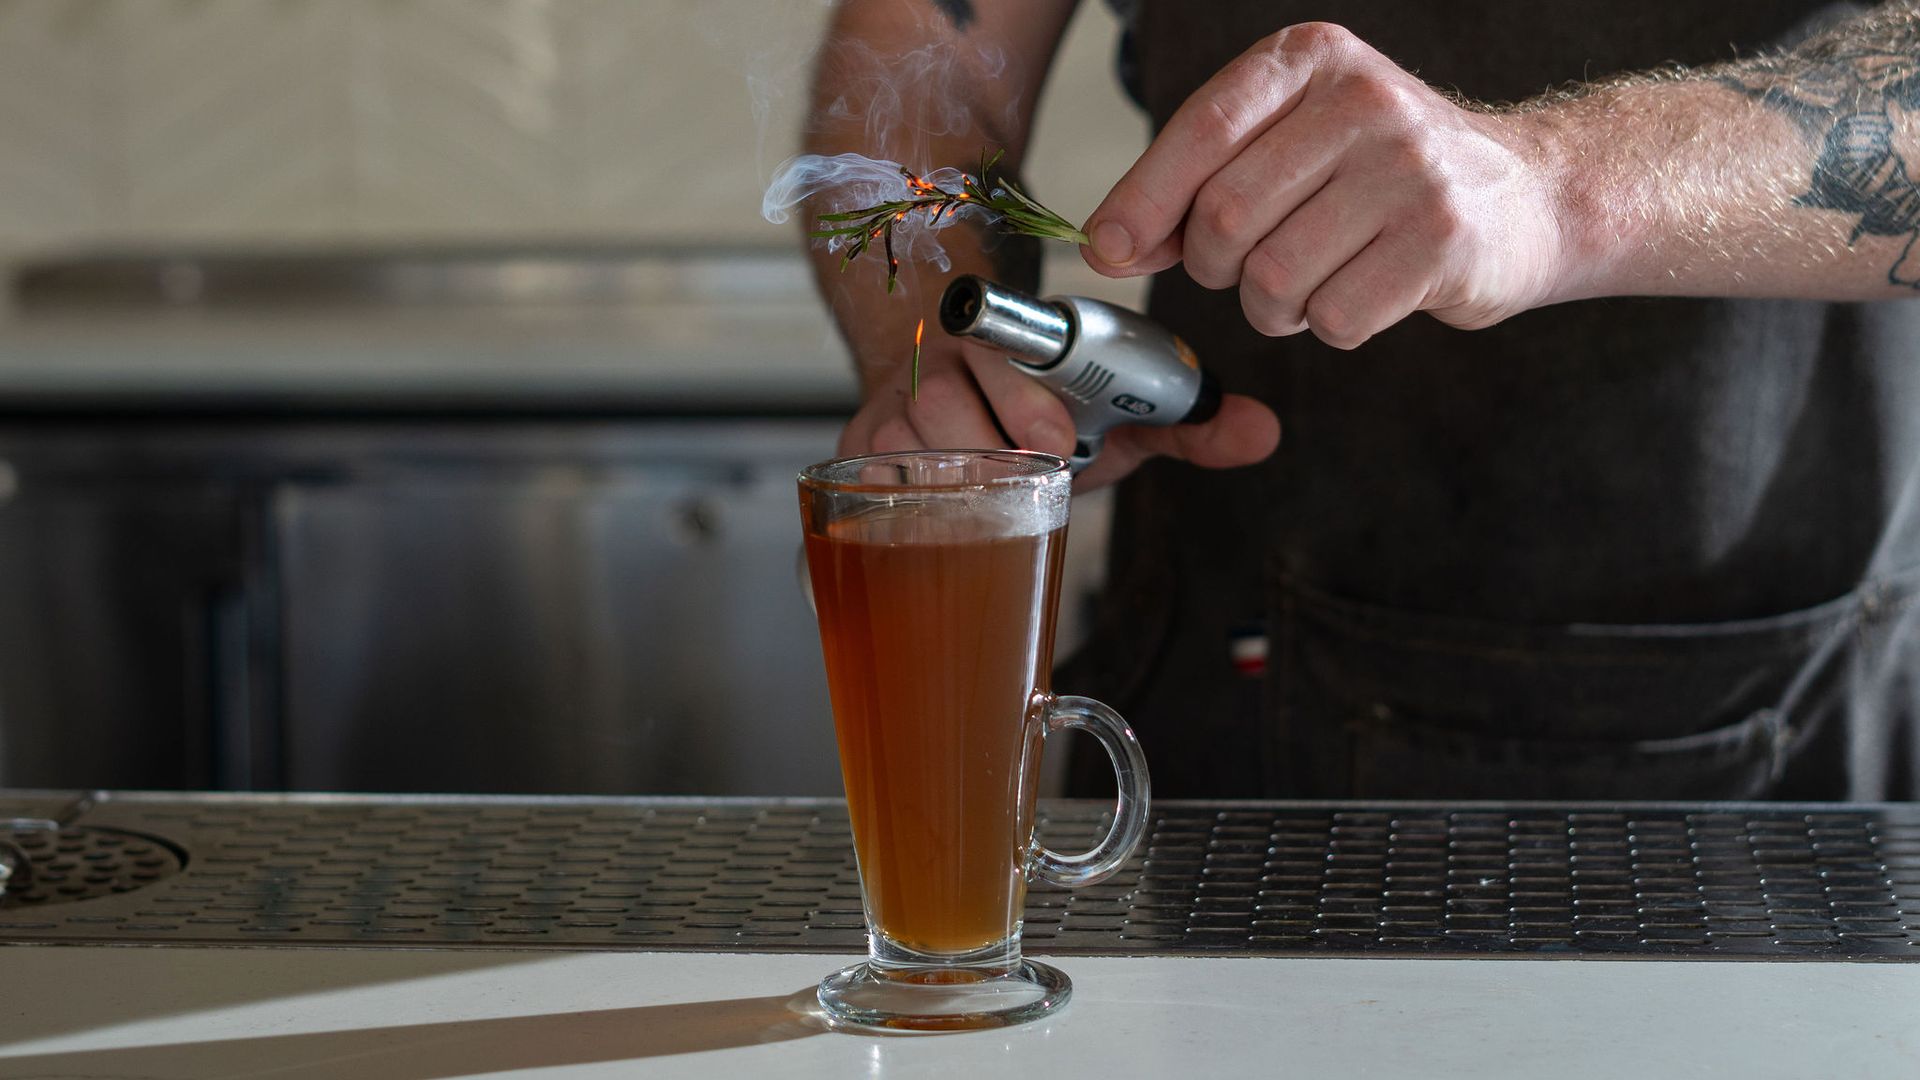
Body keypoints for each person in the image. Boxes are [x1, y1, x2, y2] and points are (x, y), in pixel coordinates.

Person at [798, 0, 1920, 800]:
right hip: (1229, 704)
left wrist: (1563, 187)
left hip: (1794, 724)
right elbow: (918, 60)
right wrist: (944, 319)